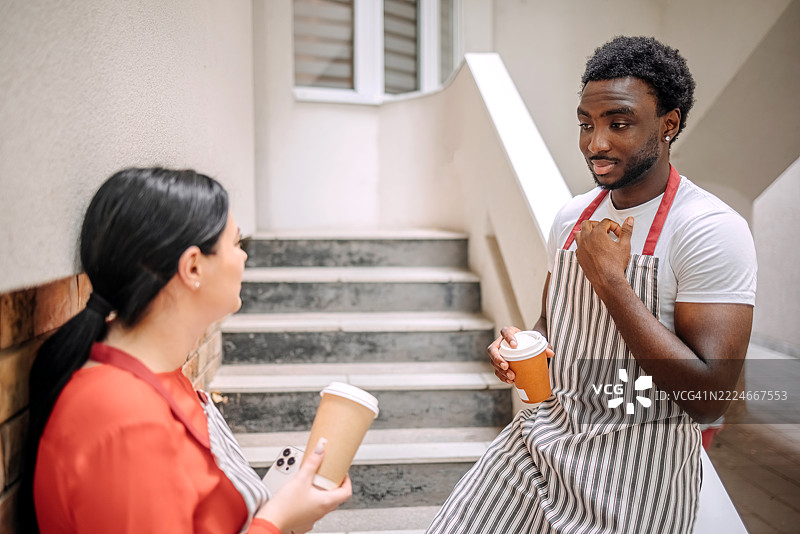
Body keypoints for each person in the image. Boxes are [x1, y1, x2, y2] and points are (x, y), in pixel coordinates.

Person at [426, 36, 756, 534]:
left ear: (669, 124)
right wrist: (520, 346)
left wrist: (611, 282)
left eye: (618, 124)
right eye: (586, 124)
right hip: (542, 440)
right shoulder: (573, 216)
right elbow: (553, 325)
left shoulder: (708, 229)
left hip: (640, 468)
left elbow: (710, 397)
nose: (594, 144)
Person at [20, 168, 351, 534]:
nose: (243, 258)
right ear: (193, 266)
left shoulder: (159, 377)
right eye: (236, 244)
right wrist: (279, 520)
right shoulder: (122, 418)